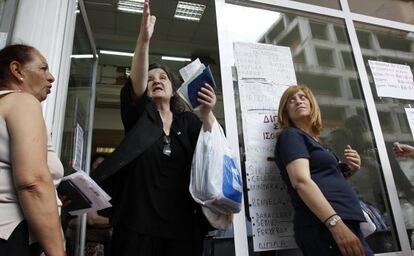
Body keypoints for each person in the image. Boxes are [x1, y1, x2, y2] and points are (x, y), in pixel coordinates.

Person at [92, 1, 217, 255]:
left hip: (182, 228)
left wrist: (208, 113)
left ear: (173, 90)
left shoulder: (188, 123)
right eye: (150, 79)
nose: (156, 81)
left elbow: (212, 149)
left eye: (162, 78)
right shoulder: (140, 117)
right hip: (137, 228)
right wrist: (144, 40)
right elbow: (135, 83)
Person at [274, 85, 373, 256]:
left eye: (302, 97)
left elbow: (323, 179)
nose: (298, 101)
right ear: (286, 112)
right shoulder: (291, 135)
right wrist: (335, 224)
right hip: (325, 224)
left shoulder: (316, 141)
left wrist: (350, 169)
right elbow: (301, 182)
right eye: (291, 100)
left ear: (312, 104)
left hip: (341, 221)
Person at [0, 44, 65, 255]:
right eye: (43, 68)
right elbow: (33, 182)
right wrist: (57, 252)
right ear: (17, 70)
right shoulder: (22, 102)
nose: (51, 77)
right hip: (10, 234)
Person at [66, 153, 112, 256]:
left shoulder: (109, 189)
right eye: (98, 165)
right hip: (87, 244)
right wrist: (117, 221)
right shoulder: (86, 187)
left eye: (105, 164)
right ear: (91, 168)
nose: (102, 168)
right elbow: (92, 220)